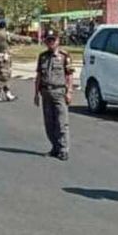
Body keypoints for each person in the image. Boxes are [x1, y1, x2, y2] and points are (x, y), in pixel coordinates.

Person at [34, 30, 74, 161]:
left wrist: (69, 92)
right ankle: (55, 147)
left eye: (53, 40)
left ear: (58, 41)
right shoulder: (43, 56)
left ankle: (64, 149)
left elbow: (69, 76)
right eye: (48, 40)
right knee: (49, 123)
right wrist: (36, 93)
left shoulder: (64, 56)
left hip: (59, 92)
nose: (50, 43)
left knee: (62, 122)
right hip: (46, 92)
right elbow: (39, 75)